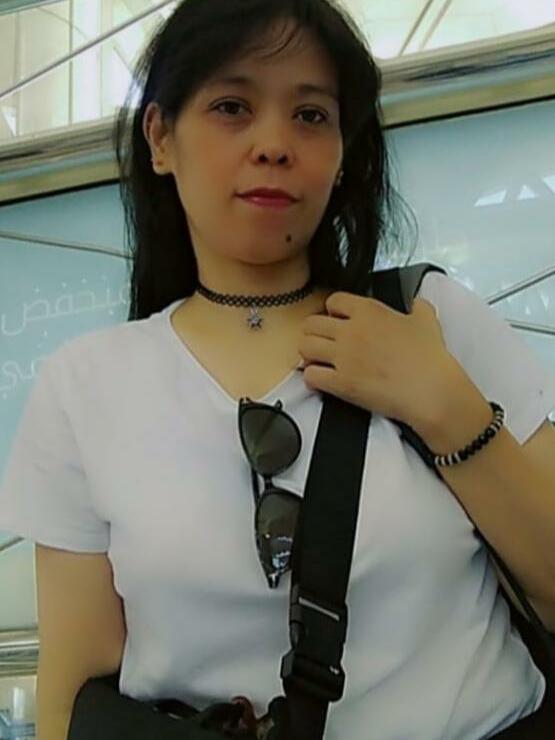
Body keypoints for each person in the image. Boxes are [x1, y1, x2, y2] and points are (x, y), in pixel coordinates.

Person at [1, 1, 555, 738]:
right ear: (160, 137)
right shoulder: (86, 385)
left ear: (343, 151)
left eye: (310, 115)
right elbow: (74, 700)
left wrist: (445, 406)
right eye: (232, 107)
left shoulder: (432, 320)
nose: (273, 145)